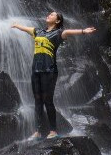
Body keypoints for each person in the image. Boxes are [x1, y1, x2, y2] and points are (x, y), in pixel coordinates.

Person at [11, 11, 96, 139]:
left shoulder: (59, 33)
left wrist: (84, 31)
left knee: (48, 101)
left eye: (52, 15)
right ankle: (38, 131)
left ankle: (53, 131)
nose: (49, 15)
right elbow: (26, 29)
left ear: (57, 21)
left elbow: (70, 32)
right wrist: (16, 25)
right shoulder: (38, 32)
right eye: (49, 14)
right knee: (38, 101)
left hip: (49, 71)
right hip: (36, 71)